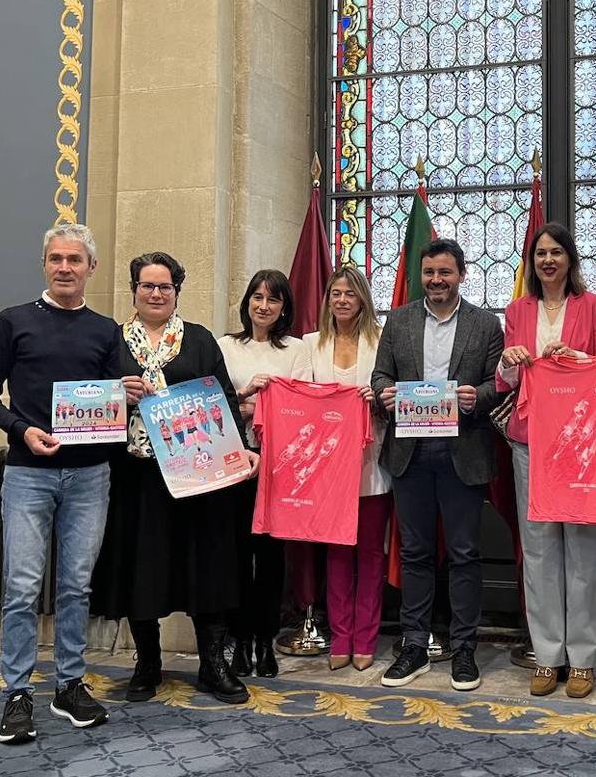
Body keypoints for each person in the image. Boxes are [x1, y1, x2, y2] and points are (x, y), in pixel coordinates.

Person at [0, 224, 128, 744]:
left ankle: (68, 685)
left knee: (75, 586)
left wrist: (130, 391)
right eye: (56, 258)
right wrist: (22, 429)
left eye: (75, 260)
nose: (65, 267)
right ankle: (17, 693)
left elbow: (120, 395)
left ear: (91, 268)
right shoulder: (13, 321)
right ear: (44, 264)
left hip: (90, 475)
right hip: (27, 474)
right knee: (20, 587)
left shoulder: (107, 330)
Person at [91, 252, 259, 705]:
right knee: (140, 567)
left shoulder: (200, 339)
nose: (156, 294)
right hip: (135, 474)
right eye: (148, 285)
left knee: (206, 566)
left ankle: (213, 667)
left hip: (197, 476)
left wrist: (241, 447)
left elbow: (223, 397)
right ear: (134, 290)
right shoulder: (112, 341)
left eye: (165, 287)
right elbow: (90, 402)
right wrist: (117, 395)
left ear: (177, 292)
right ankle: (147, 665)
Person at [371, 238, 503, 691]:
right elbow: (380, 374)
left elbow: (496, 385)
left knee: (465, 554)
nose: (436, 280)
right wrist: (386, 394)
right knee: (415, 553)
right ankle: (414, 646)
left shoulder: (486, 325)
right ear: (420, 276)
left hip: (462, 450)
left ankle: (464, 650)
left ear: (462, 275)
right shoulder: (400, 321)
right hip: (410, 450)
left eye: (445, 272)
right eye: (429, 273)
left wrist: (476, 398)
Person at [497, 223, 596, 698]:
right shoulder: (516, 310)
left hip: (582, 444)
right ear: (532, 261)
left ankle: (583, 659)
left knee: (584, 547)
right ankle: (547, 656)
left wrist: (577, 359)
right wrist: (509, 360)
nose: (547, 260)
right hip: (530, 443)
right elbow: (504, 382)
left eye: (556, 252)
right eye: (540, 253)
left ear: (570, 259)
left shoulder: (595, 307)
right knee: (541, 548)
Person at [218, 269, 311, 679]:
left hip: (279, 464)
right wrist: (244, 400)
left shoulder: (297, 350)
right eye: (257, 297)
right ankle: (238, 640)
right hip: (233, 462)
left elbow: (304, 408)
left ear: (284, 307)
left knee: (272, 559)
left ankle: (265, 641)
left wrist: (270, 409)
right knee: (236, 556)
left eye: (273, 299)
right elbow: (215, 403)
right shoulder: (226, 346)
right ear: (247, 302)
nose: (263, 305)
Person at [303, 266, 391, 672]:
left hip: (372, 463)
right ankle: (340, 637)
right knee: (337, 554)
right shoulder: (310, 344)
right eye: (335, 293)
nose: (341, 300)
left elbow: (395, 392)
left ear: (362, 300)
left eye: (350, 294)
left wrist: (378, 397)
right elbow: (301, 401)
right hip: (327, 468)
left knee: (371, 553)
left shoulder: (381, 341)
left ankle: (365, 638)